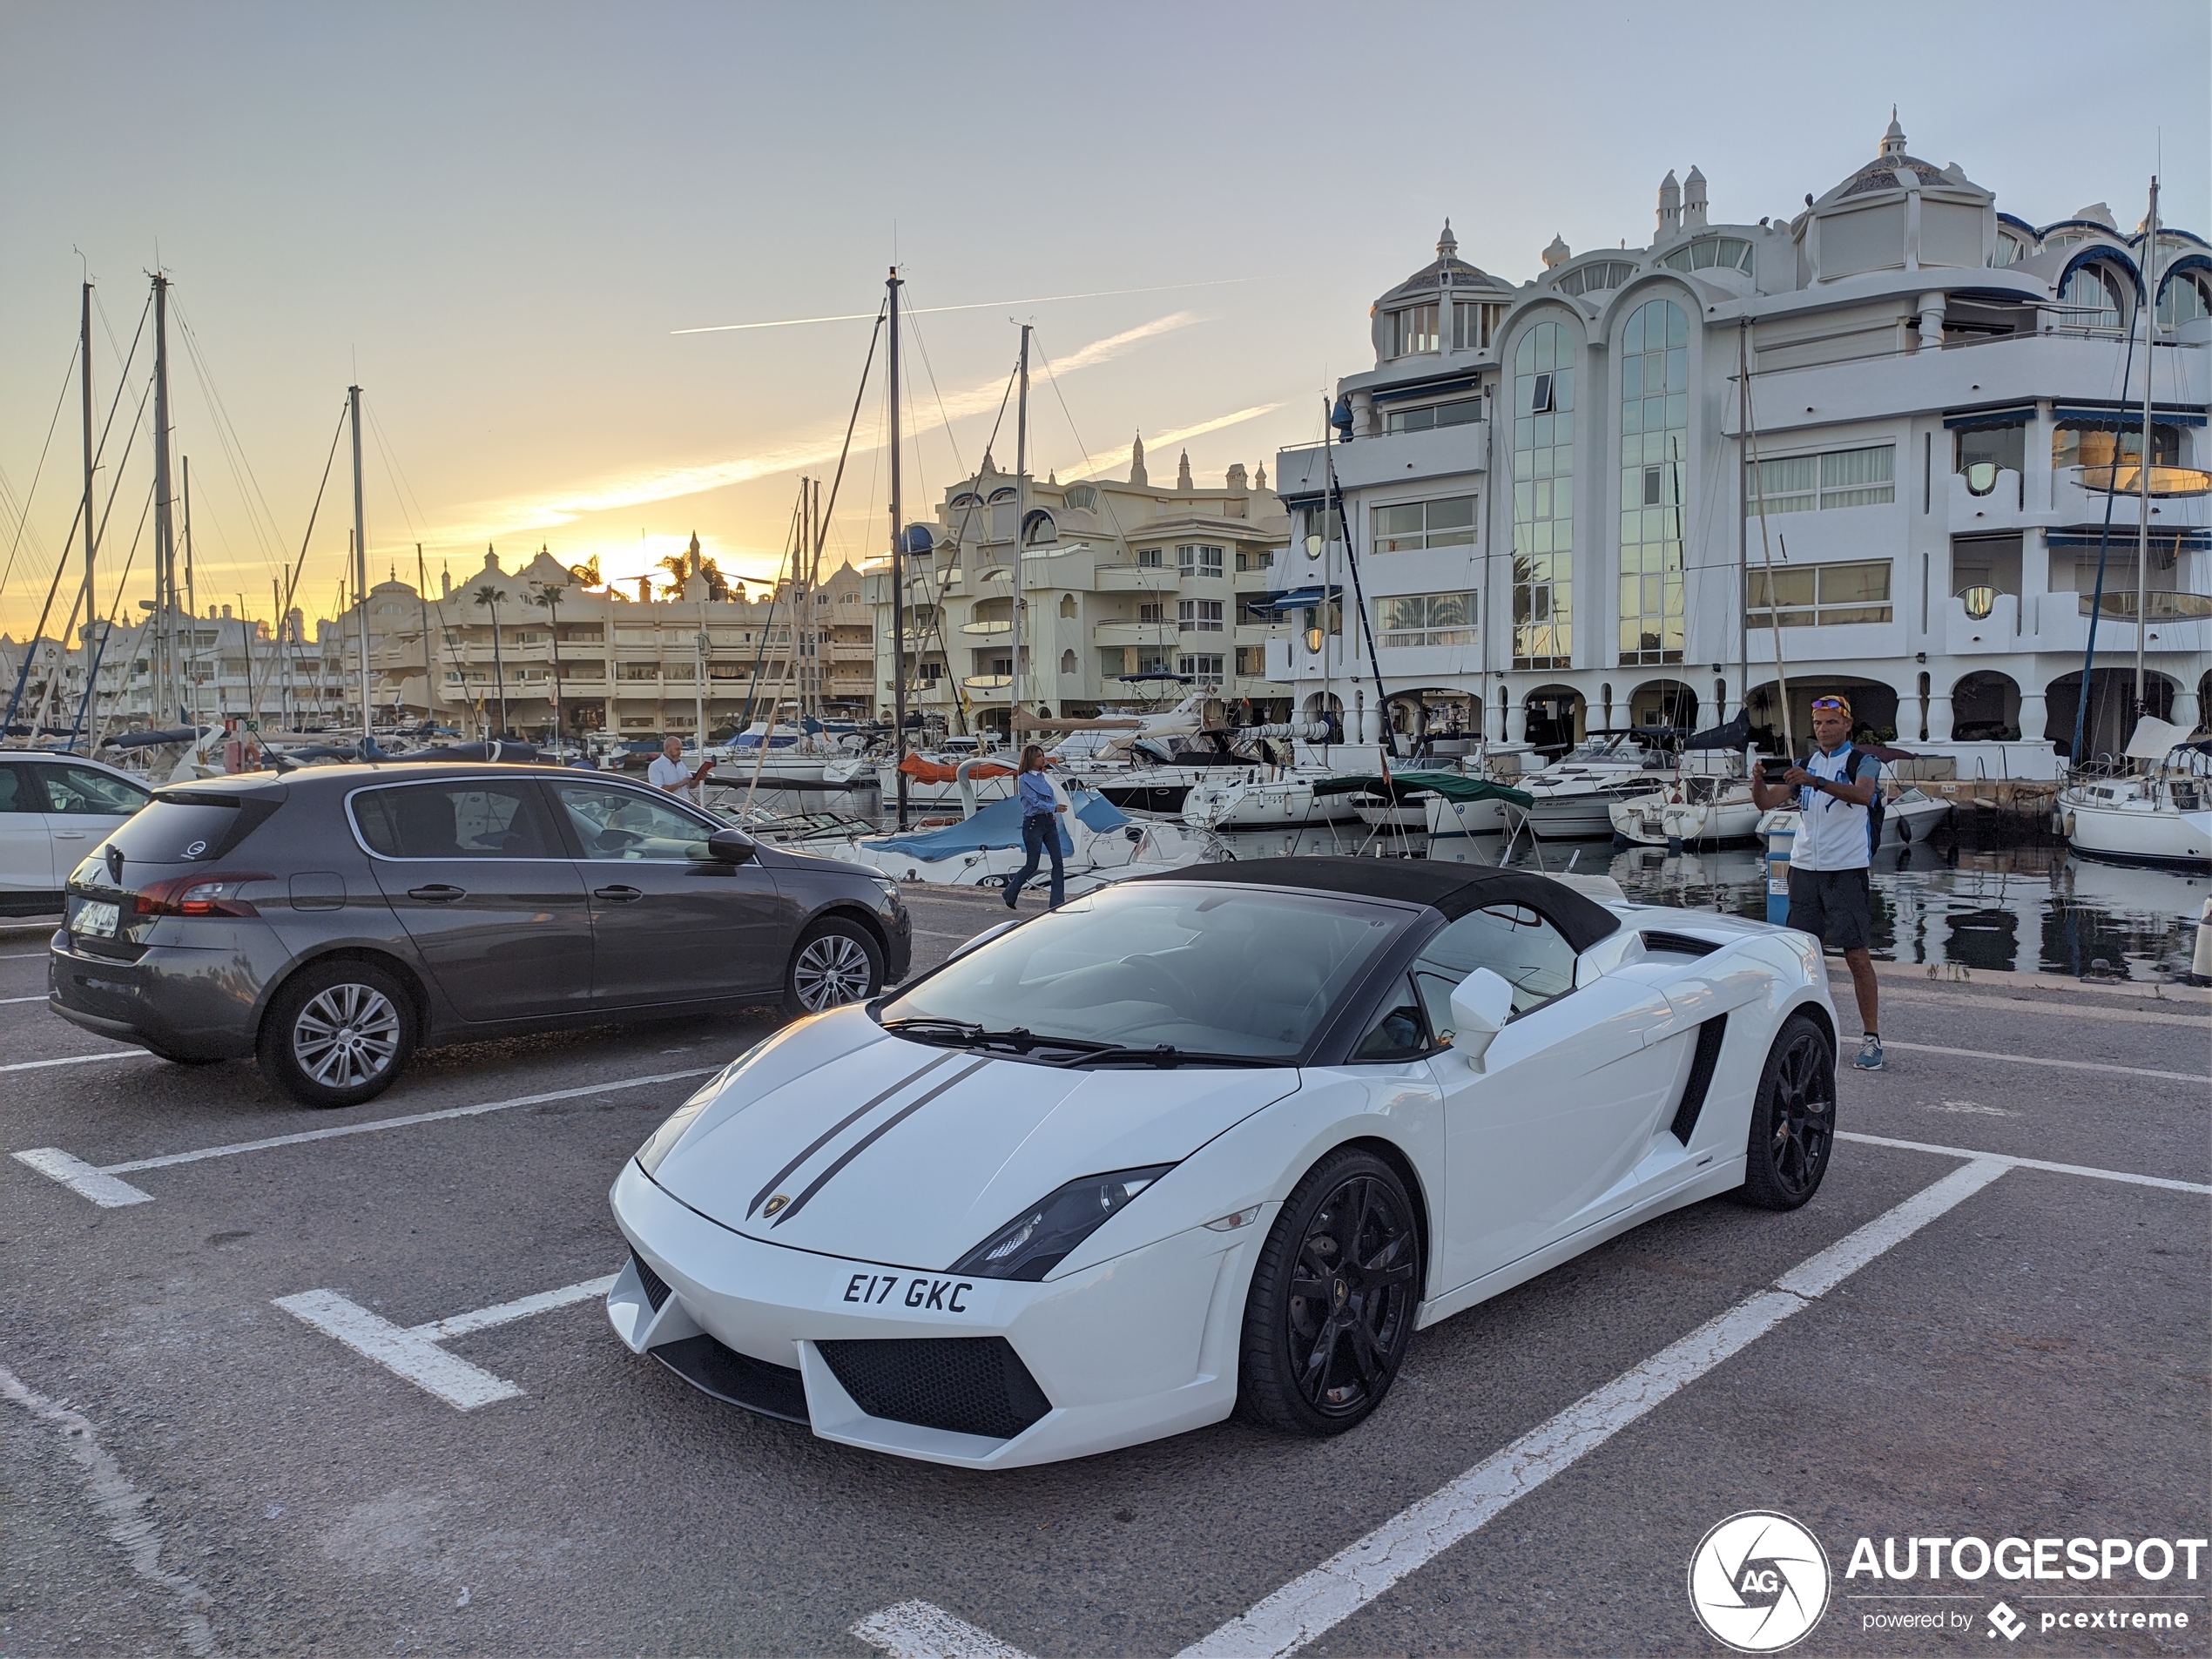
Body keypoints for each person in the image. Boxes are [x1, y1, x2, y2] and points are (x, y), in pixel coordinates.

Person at [1750, 693, 1885, 1070]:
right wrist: (1758, 781)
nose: (1823, 729)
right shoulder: (1805, 765)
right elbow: (1766, 803)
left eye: (1830, 722)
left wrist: (1817, 780)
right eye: (1818, 724)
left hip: (1846, 870)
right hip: (1804, 870)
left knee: (1856, 955)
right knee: (1801, 957)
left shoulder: (1863, 761)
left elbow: (1862, 795)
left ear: (1847, 724)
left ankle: (1872, 1038)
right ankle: (1801, 1032)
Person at [1004, 743, 1067, 910]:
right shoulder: (1024, 779)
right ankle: (1010, 892)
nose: (1042, 758)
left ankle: (1057, 902)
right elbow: (1034, 802)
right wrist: (1054, 808)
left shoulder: (1041, 777)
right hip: (1034, 824)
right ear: (1031, 758)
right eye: (1039, 756)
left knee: (1058, 862)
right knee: (1032, 864)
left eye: (1042, 755)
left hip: (1048, 822)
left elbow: (1048, 797)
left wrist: (1053, 810)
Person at [647, 734, 711, 801]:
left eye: (681, 749)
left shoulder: (681, 764)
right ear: (667, 748)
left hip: (683, 806)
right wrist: (680, 784)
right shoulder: (656, 766)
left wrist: (699, 779)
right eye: (677, 749)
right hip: (667, 808)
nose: (680, 752)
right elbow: (658, 790)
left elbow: (691, 785)